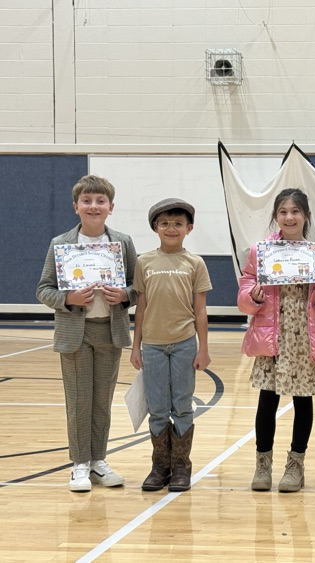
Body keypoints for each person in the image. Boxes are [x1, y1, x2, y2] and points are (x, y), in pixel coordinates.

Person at [238, 188, 315, 493]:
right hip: (272, 335)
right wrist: (252, 295)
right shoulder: (261, 252)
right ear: (275, 216)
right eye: (283, 211)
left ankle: (295, 466)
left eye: (295, 211)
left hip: (304, 338)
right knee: (267, 399)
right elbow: (245, 292)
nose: (289, 217)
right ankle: (262, 464)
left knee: (302, 401)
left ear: (306, 216)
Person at [36, 175, 136, 492]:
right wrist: (67, 298)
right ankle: (79, 465)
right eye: (87, 201)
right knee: (79, 401)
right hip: (74, 333)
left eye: (100, 201)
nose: (94, 206)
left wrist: (124, 296)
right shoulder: (60, 244)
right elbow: (43, 289)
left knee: (102, 403)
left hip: (110, 331)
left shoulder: (123, 243)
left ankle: (98, 462)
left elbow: (137, 288)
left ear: (111, 207)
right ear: (76, 206)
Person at [130, 198, 212, 493]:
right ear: (155, 227)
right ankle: (159, 466)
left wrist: (203, 348)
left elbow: (200, 310)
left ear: (188, 228)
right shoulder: (144, 262)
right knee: (158, 408)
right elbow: (141, 307)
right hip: (151, 345)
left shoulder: (195, 263)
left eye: (177, 223)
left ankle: (181, 466)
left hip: (184, 344)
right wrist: (135, 346)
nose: (171, 228)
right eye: (164, 223)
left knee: (182, 405)